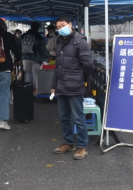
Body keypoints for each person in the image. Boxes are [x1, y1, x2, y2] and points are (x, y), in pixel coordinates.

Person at [51, 17, 94, 160]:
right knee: (64, 117)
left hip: (75, 86)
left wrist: (80, 79)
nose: (61, 28)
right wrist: (53, 86)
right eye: (58, 27)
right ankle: (69, 143)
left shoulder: (80, 42)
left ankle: (82, 146)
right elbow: (57, 67)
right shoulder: (60, 43)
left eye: (63, 25)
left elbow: (89, 65)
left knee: (78, 118)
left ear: (70, 25)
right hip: (61, 86)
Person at [20, 22, 51, 94]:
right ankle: (36, 90)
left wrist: (19, 56)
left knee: (27, 73)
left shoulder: (24, 35)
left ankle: (28, 89)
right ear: (37, 28)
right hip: (35, 57)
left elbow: (19, 45)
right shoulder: (38, 36)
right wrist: (48, 56)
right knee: (36, 74)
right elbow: (42, 48)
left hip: (25, 57)